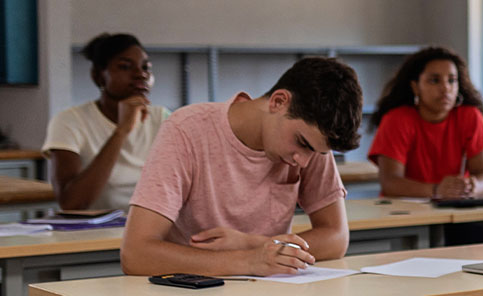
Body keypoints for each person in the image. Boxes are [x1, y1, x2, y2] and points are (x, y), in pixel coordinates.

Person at [121, 57, 363, 276]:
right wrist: (248, 261)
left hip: (272, 289)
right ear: (279, 101)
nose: (304, 161)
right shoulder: (185, 130)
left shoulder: (311, 142)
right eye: (301, 144)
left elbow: (336, 238)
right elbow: (136, 254)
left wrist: (253, 244)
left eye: (316, 152)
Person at [367, 46, 483, 245]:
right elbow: (390, 182)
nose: (446, 88)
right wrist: (437, 190)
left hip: (456, 212)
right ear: (415, 86)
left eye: (452, 80)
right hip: (404, 213)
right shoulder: (397, 119)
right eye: (434, 80)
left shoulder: (470, 117)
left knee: (481, 239)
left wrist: (472, 186)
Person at [44, 33, 170, 210]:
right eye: (125, 67)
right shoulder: (69, 121)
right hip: (95, 232)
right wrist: (122, 131)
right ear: (98, 76)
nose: (140, 75)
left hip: (151, 229)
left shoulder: (162, 118)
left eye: (145, 67)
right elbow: (71, 202)